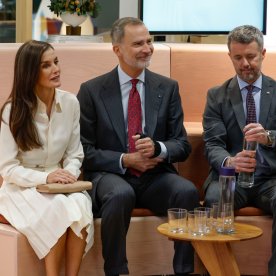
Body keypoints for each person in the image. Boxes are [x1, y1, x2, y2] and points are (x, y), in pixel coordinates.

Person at [77, 17, 199, 276]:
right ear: (117, 50)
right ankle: (116, 271)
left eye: (149, 41)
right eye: (138, 43)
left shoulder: (167, 88)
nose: (147, 48)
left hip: (156, 178)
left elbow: (182, 145)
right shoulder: (91, 91)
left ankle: (185, 271)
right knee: (120, 195)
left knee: (187, 191)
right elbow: (84, 151)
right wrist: (125, 160)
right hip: (112, 176)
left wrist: (158, 149)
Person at [202, 25, 276, 276]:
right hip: (231, 178)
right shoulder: (216, 95)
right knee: (215, 198)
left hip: (271, 178)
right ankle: (216, 270)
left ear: (263, 54)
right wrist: (230, 161)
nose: (245, 64)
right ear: (230, 56)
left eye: (251, 56)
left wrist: (269, 136)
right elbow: (212, 144)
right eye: (238, 57)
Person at [0, 40, 94, 276]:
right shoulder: (12, 110)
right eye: (46, 65)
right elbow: (8, 168)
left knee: (80, 203)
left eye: (56, 62)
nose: (56, 69)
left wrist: (69, 175)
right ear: (30, 72)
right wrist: (46, 177)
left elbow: (75, 153)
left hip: (60, 183)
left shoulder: (71, 102)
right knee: (61, 208)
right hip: (21, 187)